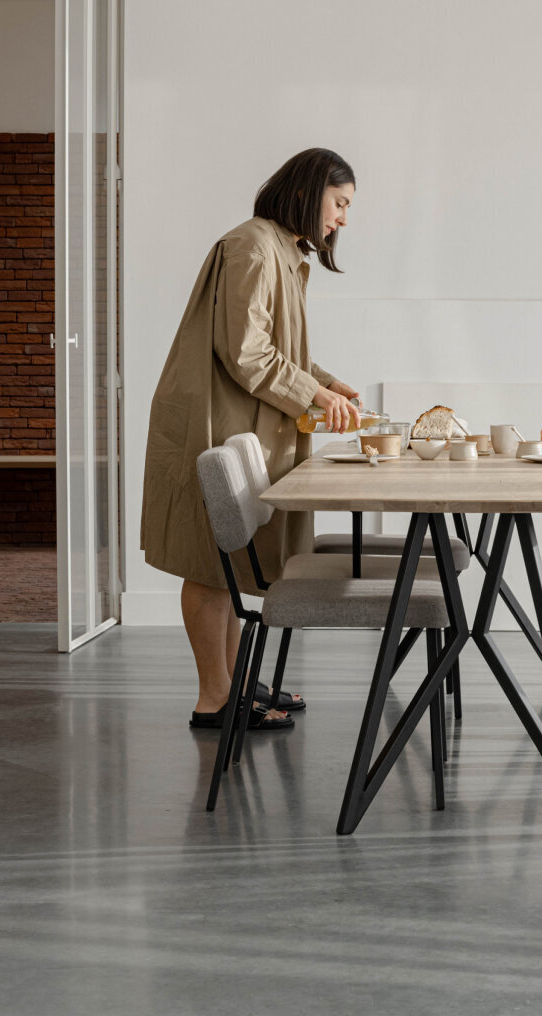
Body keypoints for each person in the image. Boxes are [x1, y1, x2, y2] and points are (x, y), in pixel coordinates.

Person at [141, 148, 361, 730]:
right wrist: (315, 395)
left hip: (233, 416)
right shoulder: (255, 248)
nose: (343, 219)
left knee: (227, 565)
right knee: (207, 563)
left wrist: (325, 382)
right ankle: (214, 699)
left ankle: (236, 684)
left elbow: (275, 346)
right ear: (308, 191)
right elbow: (245, 352)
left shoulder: (279, 250)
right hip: (213, 419)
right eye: (339, 203)